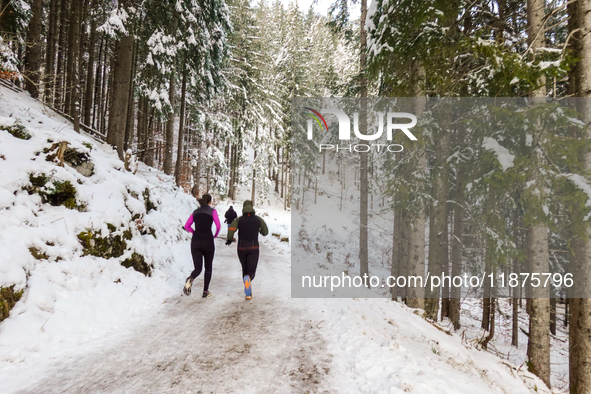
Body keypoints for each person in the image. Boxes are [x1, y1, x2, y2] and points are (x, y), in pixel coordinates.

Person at [226, 200, 268, 300]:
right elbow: (265, 232)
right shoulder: (258, 220)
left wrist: (230, 238)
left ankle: (248, 293)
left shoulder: (239, 220)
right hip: (254, 248)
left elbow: (231, 229)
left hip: (241, 248)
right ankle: (249, 279)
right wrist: (260, 230)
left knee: (244, 268)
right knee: (251, 270)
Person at [183, 193, 221, 298]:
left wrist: (194, 232)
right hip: (208, 241)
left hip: (195, 241)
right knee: (208, 268)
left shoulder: (195, 212)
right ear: (210, 202)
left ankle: (190, 278)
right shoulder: (212, 211)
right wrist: (215, 235)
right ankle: (205, 292)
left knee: (198, 268)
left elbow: (187, 226)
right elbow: (218, 226)